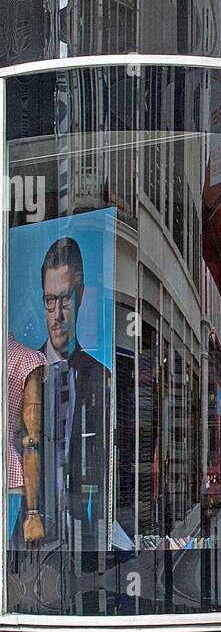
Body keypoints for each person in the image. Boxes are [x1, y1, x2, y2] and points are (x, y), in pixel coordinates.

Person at [39, 236, 111, 552]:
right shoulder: (27, 375)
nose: (57, 315)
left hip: (86, 537)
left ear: (80, 297)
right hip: (32, 535)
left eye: (65, 300)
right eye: (49, 301)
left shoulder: (100, 377)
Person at [7, 334, 46, 544]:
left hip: (7, 475)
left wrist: (33, 514)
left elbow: (32, 440)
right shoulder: (25, 359)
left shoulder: (25, 359)